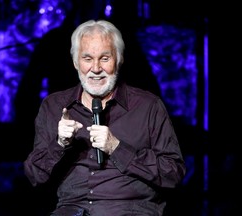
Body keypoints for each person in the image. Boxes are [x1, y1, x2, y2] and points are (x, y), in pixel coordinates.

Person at [23, 19, 186, 216]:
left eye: (105, 58)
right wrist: (59, 144)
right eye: (87, 58)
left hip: (129, 210)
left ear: (119, 60)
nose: (96, 68)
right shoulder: (54, 106)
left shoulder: (148, 106)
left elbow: (173, 174)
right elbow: (34, 176)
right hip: (71, 210)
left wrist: (117, 148)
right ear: (76, 62)